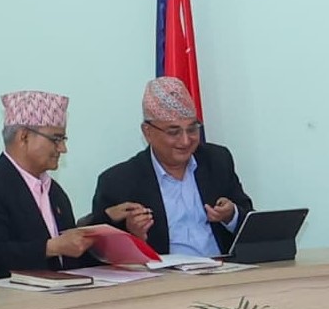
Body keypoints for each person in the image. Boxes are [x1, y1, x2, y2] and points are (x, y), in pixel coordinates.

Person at [0, 90, 126, 278]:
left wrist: (108, 222)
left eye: (63, 140)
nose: (63, 148)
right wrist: (51, 247)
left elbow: (72, 260)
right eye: (56, 139)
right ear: (24, 137)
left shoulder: (55, 192)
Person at [88, 76, 248, 260]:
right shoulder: (118, 181)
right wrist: (134, 235)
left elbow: (251, 223)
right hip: (163, 275)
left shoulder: (217, 160)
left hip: (224, 269)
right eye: (174, 132)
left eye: (192, 129)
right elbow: (97, 252)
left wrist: (231, 216)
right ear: (147, 132)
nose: (186, 141)